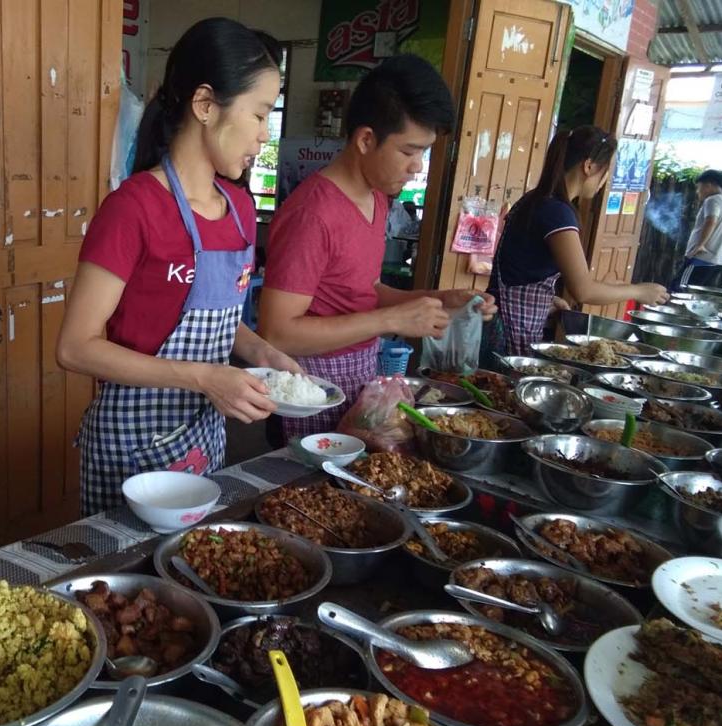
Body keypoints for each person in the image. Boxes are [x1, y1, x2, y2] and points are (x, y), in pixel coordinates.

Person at [56, 18, 299, 516]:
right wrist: (206, 378)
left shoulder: (240, 210)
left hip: (203, 437)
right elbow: (75, 347)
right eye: (258, 115)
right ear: (206, 105)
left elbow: (221, 321)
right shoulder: (134, 208)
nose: (264, 135)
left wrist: (263, 354)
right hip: (130, 446)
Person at [257, 54, 496, 438]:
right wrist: (390, 321)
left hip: (357, 379)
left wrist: (436, 298)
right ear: (366, 139)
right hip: (308, 390)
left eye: (424, 152)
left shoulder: (376, 197)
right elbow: (278, 332)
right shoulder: (312, 213)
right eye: (408, 151)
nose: (417, 166)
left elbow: (363, 291)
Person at [481, 126, 668, 364]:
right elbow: (584, 290)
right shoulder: (557, 212)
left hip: (500, 319)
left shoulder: (535, 200)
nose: (604, 181)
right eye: (605, 172)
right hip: (509, 330)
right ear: (589, 166)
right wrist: (639, 291)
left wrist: (544, 300)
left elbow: (519, 268)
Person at [674, 169, 722, 290]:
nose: (698, 192)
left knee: (680, 289)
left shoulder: (713, 200)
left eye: (699, 187)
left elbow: (711, 221)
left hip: (701, 257)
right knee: (697, 294)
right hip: (718, 260)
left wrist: (700, 245)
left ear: (709, 185)